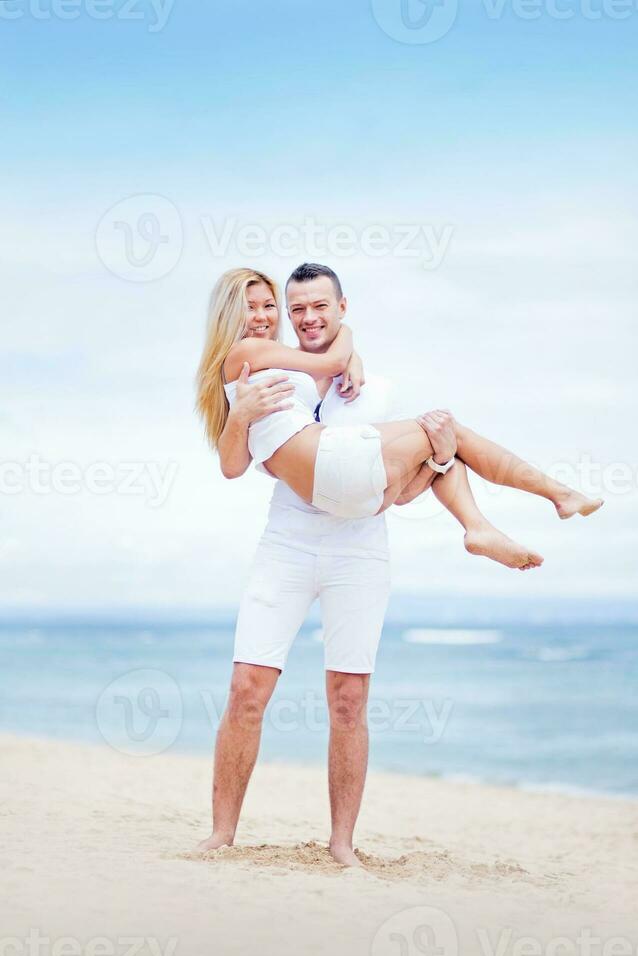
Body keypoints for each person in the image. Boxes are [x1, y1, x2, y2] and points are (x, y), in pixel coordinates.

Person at [194, 263, 602, 866]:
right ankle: (221, 833)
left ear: (339, 307)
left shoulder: (357, 384)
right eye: (262, 306)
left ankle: (341, 843)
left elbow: (390, 489)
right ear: (231, 317)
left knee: (350, 698)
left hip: (357, 530)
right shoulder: (253, 364)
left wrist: (424, 462)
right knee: (246, 689)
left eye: (275, 306)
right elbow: (234, 465)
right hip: (291, 537)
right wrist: (258, 403)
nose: (275, 316)